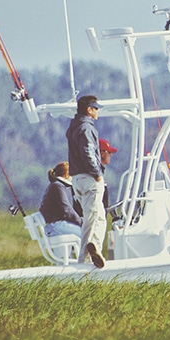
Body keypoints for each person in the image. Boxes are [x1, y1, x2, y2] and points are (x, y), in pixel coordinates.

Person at [66, 94, 107, 268]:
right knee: (93, 219)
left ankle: (91, 250)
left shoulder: (73, 127)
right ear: (89, 110)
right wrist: (97, 173)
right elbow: (88, 152)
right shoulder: (87, 128)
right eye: (96, 108)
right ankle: (87, 257)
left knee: (99, 218)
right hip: (90, 178)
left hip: (76, 180)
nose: (98, 111)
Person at [39, 161, 82, 238]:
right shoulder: (57, 186)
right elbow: (67, 209)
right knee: (86, 235)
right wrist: (81, 222)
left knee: (86, 234)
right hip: (55, 226)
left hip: (57, 225)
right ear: (66, 175)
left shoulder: (59, 186)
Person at [99, 138, 117, 210]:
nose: (111, 155)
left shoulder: (99, 171)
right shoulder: (94, 174)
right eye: (109, 152)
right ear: (102, 154)